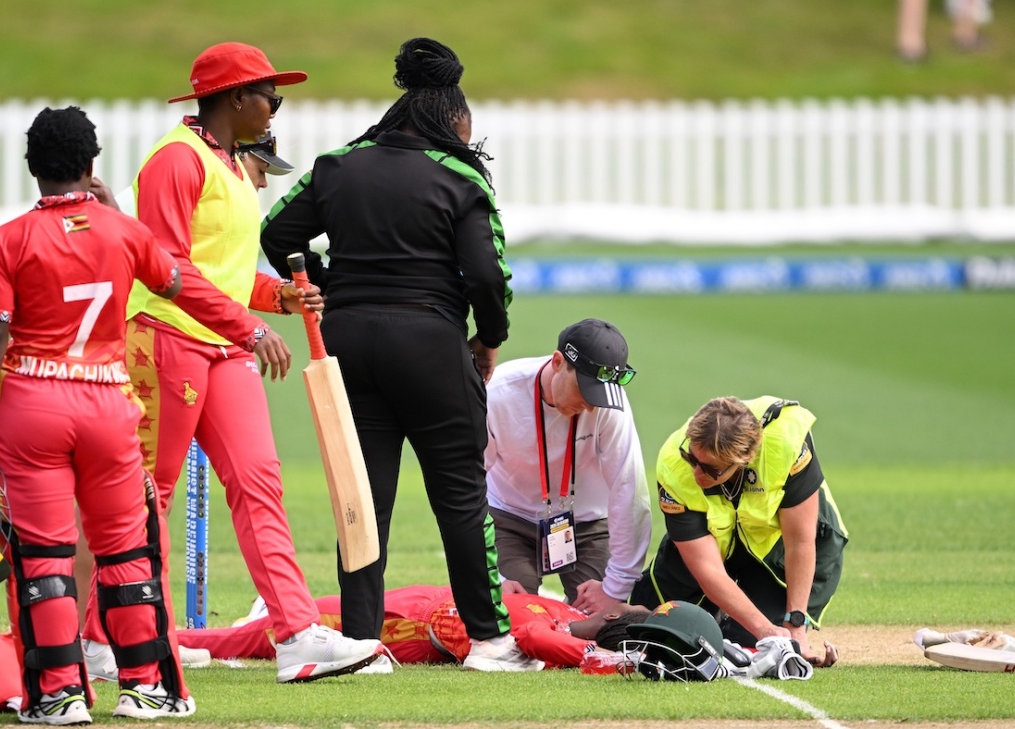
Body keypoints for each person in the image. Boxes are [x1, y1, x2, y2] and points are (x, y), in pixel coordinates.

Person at [109, 40, 382, 683]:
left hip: (222, 345)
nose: (275, 110)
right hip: (163, 337)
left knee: (259, 482)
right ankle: (120, 637)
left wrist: (278, 297)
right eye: (270, 98)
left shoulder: (229, 164)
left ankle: (297, 635)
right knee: (148, 495)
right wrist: (250, 326)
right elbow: (169, 269)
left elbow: (223, 274)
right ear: (236, 98)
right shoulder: (175, 160)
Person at [259, 37, 525, 671]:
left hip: (348, 342)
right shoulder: (459, 177)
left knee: (363, 496)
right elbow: (488, 276)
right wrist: (488, 338)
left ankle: (359, 643)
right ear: (451, 120)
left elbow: (277, 233)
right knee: (460, 495)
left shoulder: (338, 165)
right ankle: (489, 642)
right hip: (430, 343)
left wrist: (328, 285)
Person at [0, 106, 194, 722]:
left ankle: (58, 695)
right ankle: (145, 688)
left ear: (33, 167)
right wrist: (118, 219)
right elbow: (171, 282)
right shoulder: (122, 231)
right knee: (126, 552)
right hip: (107, 402)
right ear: (91, 165)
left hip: (32, 406)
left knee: (43, 557)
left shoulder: (7, 239)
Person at [629, 396, 848, 668]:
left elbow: (800, 542)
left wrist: (795, 628)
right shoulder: (674, 463)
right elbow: (707, 569)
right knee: (656, 625)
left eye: (710, 469)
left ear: (745, 460)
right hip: (714, 539)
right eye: (692, 458)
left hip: (773, 546)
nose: (696, 474)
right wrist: (766, 629)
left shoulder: (787, 445)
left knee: (751, 642)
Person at [484, 319, 651, 615]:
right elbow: (465, 486)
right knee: (513, 614)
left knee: (601, 621)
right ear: (558, 362)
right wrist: (490, 574)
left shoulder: (610, 406)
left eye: (599, 395)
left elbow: (630, 490)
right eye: (585, 390)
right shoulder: (497, 393)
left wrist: (615, 587)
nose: (591, 406)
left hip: (588, 524)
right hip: (510, 518)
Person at [176, 586, 649, 670]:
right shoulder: (567, 618)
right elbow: (531, 632)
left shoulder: (563, 627)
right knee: (268, 628)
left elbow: (532, 636)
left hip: (408, 626)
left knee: (259, 634)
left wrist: (615, 657)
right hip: (419, 608)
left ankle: (161, 638)